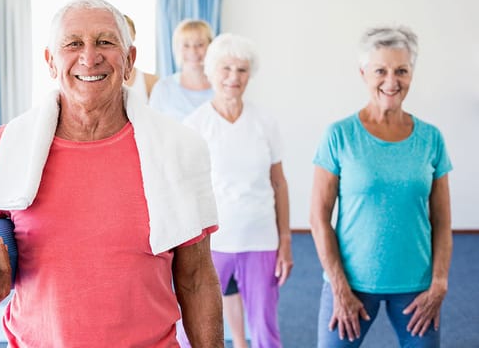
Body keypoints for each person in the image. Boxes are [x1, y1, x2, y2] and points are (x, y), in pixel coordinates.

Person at [0, 0, 224, 348]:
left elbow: (196, 278)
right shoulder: (2, 149)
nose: (89, 57)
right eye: (73, 43)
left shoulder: (179, 149)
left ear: (129, 61)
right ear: (50, 61)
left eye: (105, 42)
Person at [309, 26, 453, 347]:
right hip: (350, 284)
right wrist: (339, 288)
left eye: (401, 70)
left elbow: (442, 221)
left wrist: (440, 283)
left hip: (417, 287)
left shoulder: (431, 138)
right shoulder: (339, 135)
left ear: (412, 74)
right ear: (363, 73)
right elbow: (319, 219)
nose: (391, 81)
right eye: (380, 70)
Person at [184, 33, 294, 348]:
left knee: (265, 330)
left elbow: (279, 183)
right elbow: (186, 191)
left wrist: (285, 241)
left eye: (242, 70)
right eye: (226, 69)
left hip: (260, 239)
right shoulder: (194, 125)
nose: (234, 77)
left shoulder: (265, 121)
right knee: (195, 328)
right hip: (211, 243)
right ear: (211, 71)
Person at [149, 19, 214, 122]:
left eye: (200, 45)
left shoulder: (222, 87)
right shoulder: (163, 88)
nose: (193, 51)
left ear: (211, 46)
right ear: (177, 48)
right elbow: (152, 127)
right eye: (186, 45)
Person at [123, 14, 158, 101]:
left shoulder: (151, 81)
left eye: (127, 33)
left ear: (134, 35)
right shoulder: (99, 81)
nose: (123, 39)